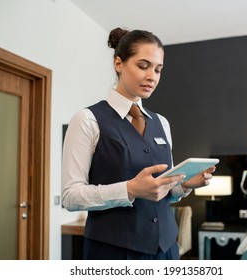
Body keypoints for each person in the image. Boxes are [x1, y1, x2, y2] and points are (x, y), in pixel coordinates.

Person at [61, 27, 216, 260]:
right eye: (143, 66)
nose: (152, 76)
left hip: (166, 250)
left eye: (158, 69)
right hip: (113, 252)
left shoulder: (162, 123)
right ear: (119, 64)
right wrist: (130, 189)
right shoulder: (87, 119)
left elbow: (161, 190)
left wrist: (183, 185)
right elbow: (70, 196)